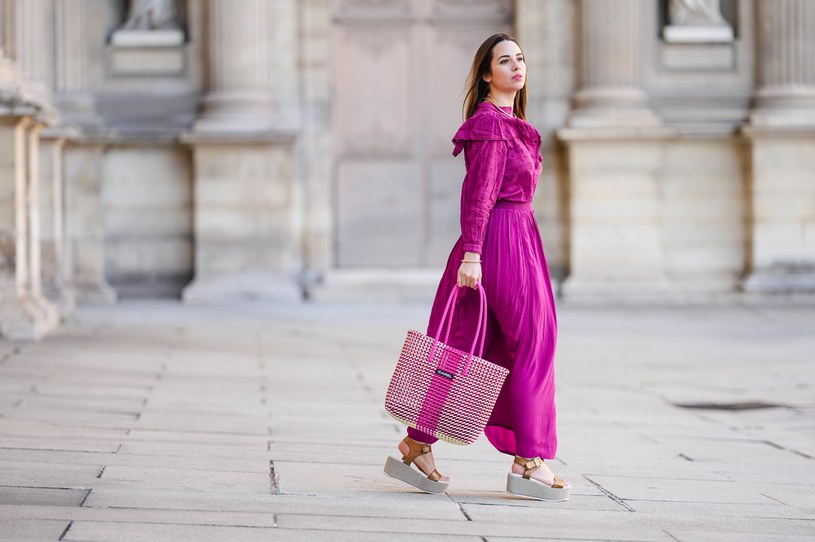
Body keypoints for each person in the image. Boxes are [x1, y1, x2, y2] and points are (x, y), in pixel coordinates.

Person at [383, 33, 569, 501]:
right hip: (499, 241)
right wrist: (472, 254)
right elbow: (479, 194)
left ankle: (417, 444)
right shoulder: (490, 124)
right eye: (505, 61)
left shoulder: (512, 122)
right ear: (487, 74)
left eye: (521, 58)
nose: (516, 66)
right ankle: (528, 460)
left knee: (471, 343)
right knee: (532, 339)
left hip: (521, 236)